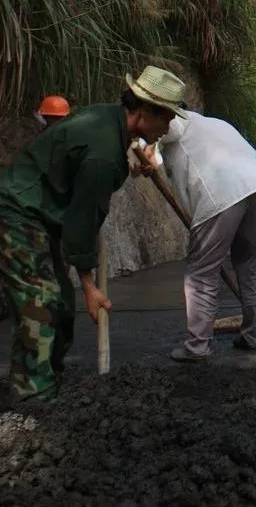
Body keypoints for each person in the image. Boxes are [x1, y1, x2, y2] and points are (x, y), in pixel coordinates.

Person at [0, 66, 186, 403]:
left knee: (60, 305)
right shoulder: (102, 156)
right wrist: (89, 286)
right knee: (40, 302)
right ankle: (33, 398)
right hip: (17, 211)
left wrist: (135, 162)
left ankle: (49, 380)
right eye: (167, 118)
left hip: (37, 213)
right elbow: (82, 222)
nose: (168, 127)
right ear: (145, 111)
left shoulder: (110, 121)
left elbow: (112, 151)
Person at [148, 110, 256, 362]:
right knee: (247, 265)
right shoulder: (213, 124)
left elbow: (166, 132)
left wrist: (145, 146)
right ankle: (253, 334)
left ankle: (197, 346)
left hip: (221, 192)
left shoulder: (177, 120)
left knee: (201, 271)